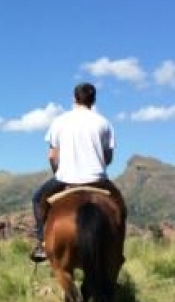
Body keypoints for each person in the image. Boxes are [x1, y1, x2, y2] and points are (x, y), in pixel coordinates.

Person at [30, 82, 124, 262]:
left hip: (66, 178)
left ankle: (42, 243)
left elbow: (52, 156)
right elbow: (108, 157)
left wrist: (57, 172)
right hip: (97, 179)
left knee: (37, 199)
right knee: (120, 207)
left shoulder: (59, 121)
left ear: (74, 98)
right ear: (93, 100)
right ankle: (117, 249)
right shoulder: (104, 123)